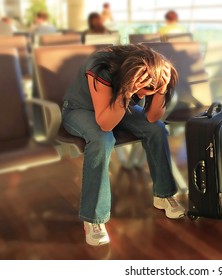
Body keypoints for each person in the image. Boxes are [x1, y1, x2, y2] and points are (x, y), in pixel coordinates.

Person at [62, 44, 185, 246]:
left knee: (157, 129)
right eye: (145, 91)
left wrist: (161, 91)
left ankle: (164, 195)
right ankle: (94, 219)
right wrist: (127, 91)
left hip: (119, 104)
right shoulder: (101, 67)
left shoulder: (156, 67)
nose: (145, 96)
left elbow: (153, 118)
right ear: (132, 79)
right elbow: (106, 123)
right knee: (103, 139)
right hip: (81, 109)